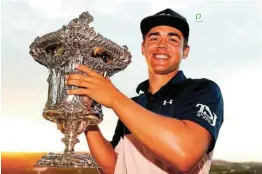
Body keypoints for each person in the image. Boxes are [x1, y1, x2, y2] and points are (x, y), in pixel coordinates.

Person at [65, 8, 224, 174]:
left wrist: (114, 98)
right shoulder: (133, 104)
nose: (162, 44)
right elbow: (113, 167)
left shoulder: (203, 90)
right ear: (143, 48)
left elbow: (185, 154)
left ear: (185, 51)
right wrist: (86, 115)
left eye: (173, 39)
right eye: (154, 38)